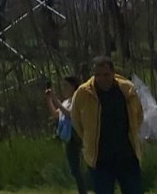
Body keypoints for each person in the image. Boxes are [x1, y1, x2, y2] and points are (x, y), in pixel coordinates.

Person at [71, 56, 145, 194]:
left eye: (106, 74)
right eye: (98, 75)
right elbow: (76, 120)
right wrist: (88, 138)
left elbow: (138, 115)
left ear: (113, 73)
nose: (102, 79)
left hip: (127, 155)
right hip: (99, 158)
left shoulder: (127, 90)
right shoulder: (83, 93)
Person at [47, 75, 88, 194]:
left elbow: (70, 114)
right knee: (74, 169)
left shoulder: (77, 100)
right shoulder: (66, 102)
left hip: (76, 138)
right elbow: (56, 114)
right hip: (68, 138)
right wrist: (49, 99)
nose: (64, 88)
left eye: (66, 86)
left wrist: (56, 100)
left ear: (73, 86)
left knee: (76, 169)